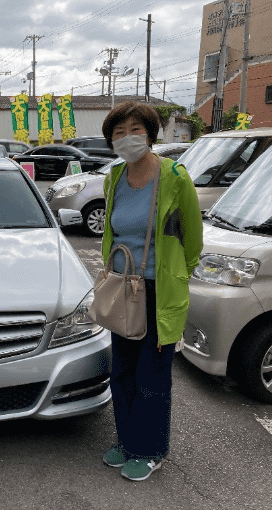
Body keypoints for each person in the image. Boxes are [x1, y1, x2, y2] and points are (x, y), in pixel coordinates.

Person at [99, 101, 203, 481]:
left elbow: (193, 238)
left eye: (134, 130)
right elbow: (112, 232)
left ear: (150, 134)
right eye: (119, 132)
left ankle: (151, 449)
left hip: (160, 291)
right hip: (123, 290)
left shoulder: (174, 176)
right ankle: (128, 441)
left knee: (152, 374)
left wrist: (177, 276)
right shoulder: (114, 178)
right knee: (122, 372)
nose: (127, 139)